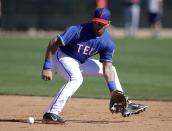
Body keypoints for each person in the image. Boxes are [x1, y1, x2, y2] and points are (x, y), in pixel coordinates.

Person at [41, 8, 147, 124]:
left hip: (79, 62)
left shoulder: (107, 43)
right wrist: (47, 66)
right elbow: (53, 42)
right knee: (76, 79)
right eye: (96, 22)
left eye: (101, 23)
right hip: (61, 56)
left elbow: (107, 67)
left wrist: (113, 91)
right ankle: (51, 113)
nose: (98, 25)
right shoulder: (77, 30)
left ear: (108, 24)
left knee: (112, 69)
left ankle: (125, 104)